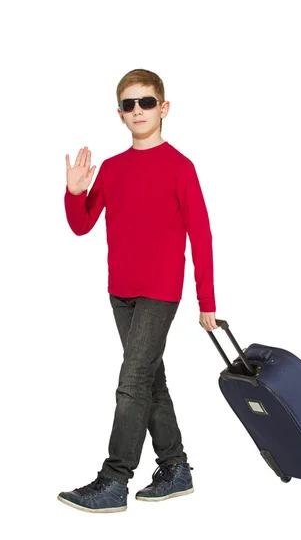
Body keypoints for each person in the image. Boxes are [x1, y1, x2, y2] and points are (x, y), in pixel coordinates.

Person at [58, 68, 218, 513]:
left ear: (163, 108)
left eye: (146, 102)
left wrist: (207, 302)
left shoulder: (180, 167)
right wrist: (74, 193)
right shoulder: (111, 168)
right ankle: (175, 468)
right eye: (129, 104)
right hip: (120, 291)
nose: (138, 111)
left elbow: (200, 236)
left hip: (159, 292)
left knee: (131, 383)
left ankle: (114, 480)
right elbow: (81, 224)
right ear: (120, 114)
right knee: (150, 381)